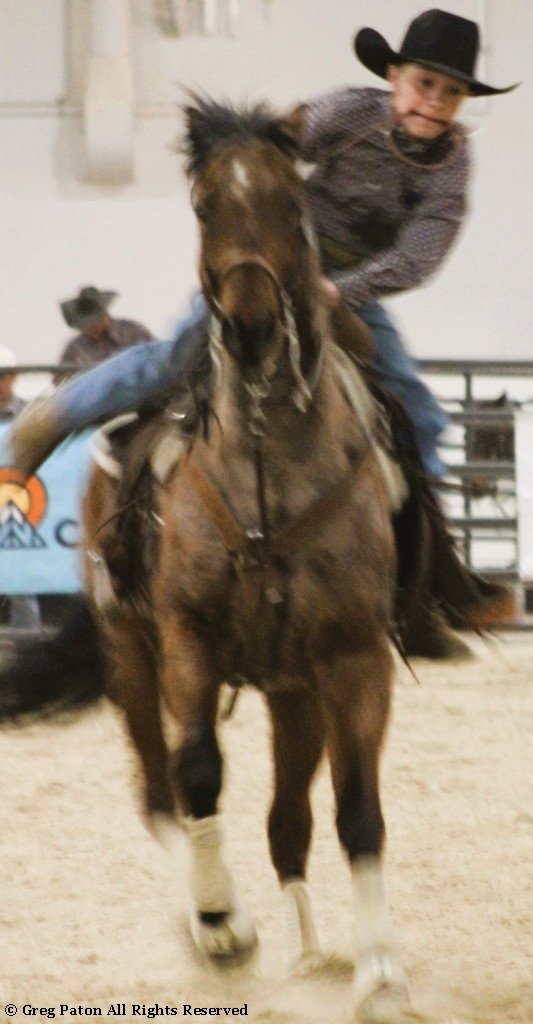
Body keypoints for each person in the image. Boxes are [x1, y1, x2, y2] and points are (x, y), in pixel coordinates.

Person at [3, 9, 518, 653]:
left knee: (417, 408)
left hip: (350, 285)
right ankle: (52, 417)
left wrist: (341, 291)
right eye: (424, 84)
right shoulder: (347, 114)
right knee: (177, 356)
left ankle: (434, 578)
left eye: (451, 92)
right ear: (394, 78)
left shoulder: (452, 163)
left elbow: (422, 253)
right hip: (273, 263)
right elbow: (263, 150)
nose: (435, 102)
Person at [0, 347, 41, 629]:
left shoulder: (30, 415)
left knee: (20, 578)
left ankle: (26, 641)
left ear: (13, 378)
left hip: (17, 503)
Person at [54, 285, 154, 382]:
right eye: (84, 323)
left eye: (94, 321)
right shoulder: (74, 348)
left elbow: (157, 359)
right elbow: (59, 380)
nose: (90, 326)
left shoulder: (133, 331)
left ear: (105, 315)